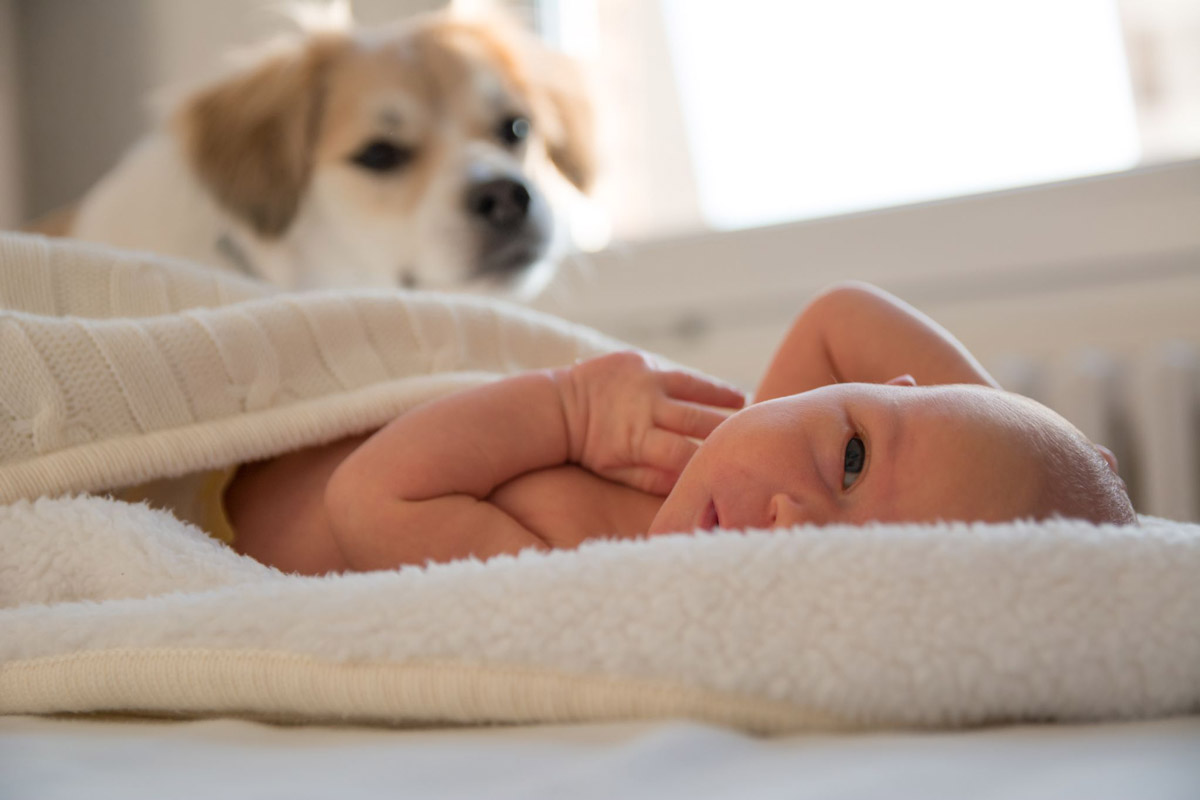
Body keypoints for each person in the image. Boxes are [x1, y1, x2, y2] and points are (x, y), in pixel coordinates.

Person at [219, 282, 1136, 575]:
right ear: (872, 390)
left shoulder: (589, 578)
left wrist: (569, 408)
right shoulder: (743, 441)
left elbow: (371, 495)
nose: (794, 518)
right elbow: (842, 314)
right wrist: (1020, 437)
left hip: (228, 509)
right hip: (261, 399)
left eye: (846, 562)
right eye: (854, 455)